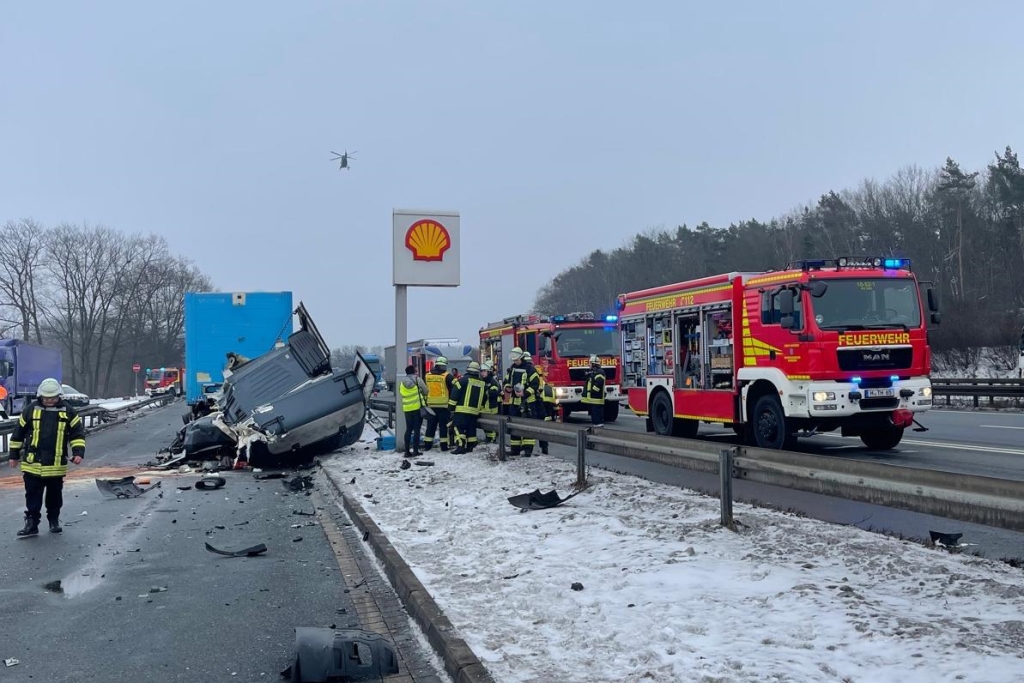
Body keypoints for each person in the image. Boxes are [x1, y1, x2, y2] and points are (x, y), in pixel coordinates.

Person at [9, 378, 86, 536]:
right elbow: (18, 434)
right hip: (32, 463)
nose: (50, 401)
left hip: (55, 464)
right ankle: (31, 524)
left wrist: (78, 453)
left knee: (54, 497)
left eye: (53, 398)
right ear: (40, 396)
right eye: (46, 398)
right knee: (32, 496)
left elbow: (77, 434)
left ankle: (53, 520)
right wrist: (13, 455)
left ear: (59, 396)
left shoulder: (68, 411)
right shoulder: (30, 410)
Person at [448, 362, 486, 454]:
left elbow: (454, 394)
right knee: (470, 428)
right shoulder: (482, 383)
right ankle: (470, 446)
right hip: (475, 412)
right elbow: (484, 397)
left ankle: (460, 446)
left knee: (457, 427)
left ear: (468, 369)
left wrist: (451, 407)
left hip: (462, 410)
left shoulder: (462, 380)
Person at [422, 356, 455, 451]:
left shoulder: (427, 375)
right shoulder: (448, 376)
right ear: (444, 366)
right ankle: (443, 446)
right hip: (444, 406)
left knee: (430, 426)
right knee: (443, 426)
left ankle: (427, 445)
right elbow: (454, 390)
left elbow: (424, 389)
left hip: (431, 405)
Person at [399, 364, 429, 457]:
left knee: (408, 429)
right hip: (417, 408)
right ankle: (415, 451)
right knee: (416, 430)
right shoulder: (417, 380)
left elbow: (401, 393)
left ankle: (407, 451)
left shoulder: (402, 382)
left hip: (407, 409)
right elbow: (426, 391)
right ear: (414, 372)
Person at [536, 366, 558, 454]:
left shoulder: (533, 385)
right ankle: (544, 449)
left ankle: (527, 449)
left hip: (535, 411)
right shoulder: (550, 389)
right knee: (542, 430)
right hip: (546, 418)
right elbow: (555, 405)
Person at [478, 361, 501, 443]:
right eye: (481, 371)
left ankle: (492, 438)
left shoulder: (492, 381)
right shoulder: (482, 381)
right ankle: (488, 437)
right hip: (484, 407)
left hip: (491, 407)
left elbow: (494, 392)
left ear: (488, 372)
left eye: (484, 371)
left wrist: (485, 392)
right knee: (485, 424)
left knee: (491, 424)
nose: (482, 373)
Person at [582, 354, 606, 427]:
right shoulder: (594, 372)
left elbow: (599, 382)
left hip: (596, 398)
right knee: (594, 412)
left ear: (593, 364)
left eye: (590, 363)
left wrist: (593, 391)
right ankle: (596, 424)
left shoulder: (599, 372)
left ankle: (598, 424)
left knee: (597, 412)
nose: (589, 365)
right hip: (593, 398)